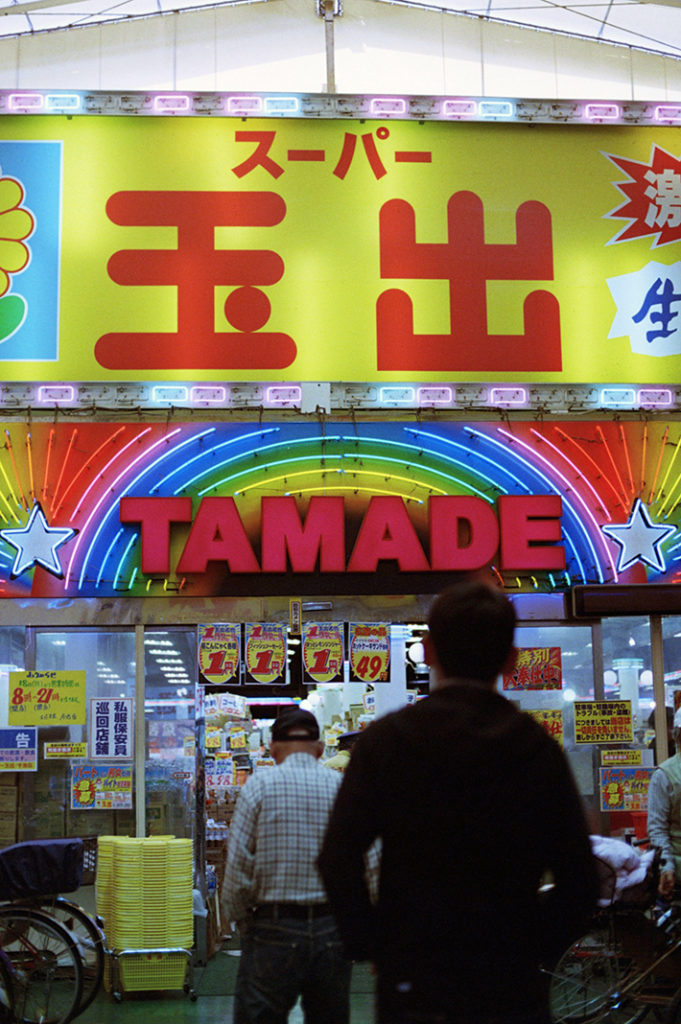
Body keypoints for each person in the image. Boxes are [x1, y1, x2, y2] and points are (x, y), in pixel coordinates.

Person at [318, 579, 599, 1024]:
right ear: (511, 659)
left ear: (427, 650)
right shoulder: (535, 747)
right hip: (510, 986)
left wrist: (374, 942)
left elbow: (338, 858)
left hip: (414, 981)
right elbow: (581, 880)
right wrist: (530, 946)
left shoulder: (386, 741)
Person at [222, 707, 351, 1024]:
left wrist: (244, 922)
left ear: (273, 747)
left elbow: (237, 867)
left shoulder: (259, 786)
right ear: (320, 748)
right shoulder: (342, 788)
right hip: (333, 927)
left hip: (273, 925)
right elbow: (371, 863)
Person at [647, 707, 681, 900]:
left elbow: (657, 828)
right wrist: (667, 866)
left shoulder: (663, 775)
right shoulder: (665, 775)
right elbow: (658, 828)